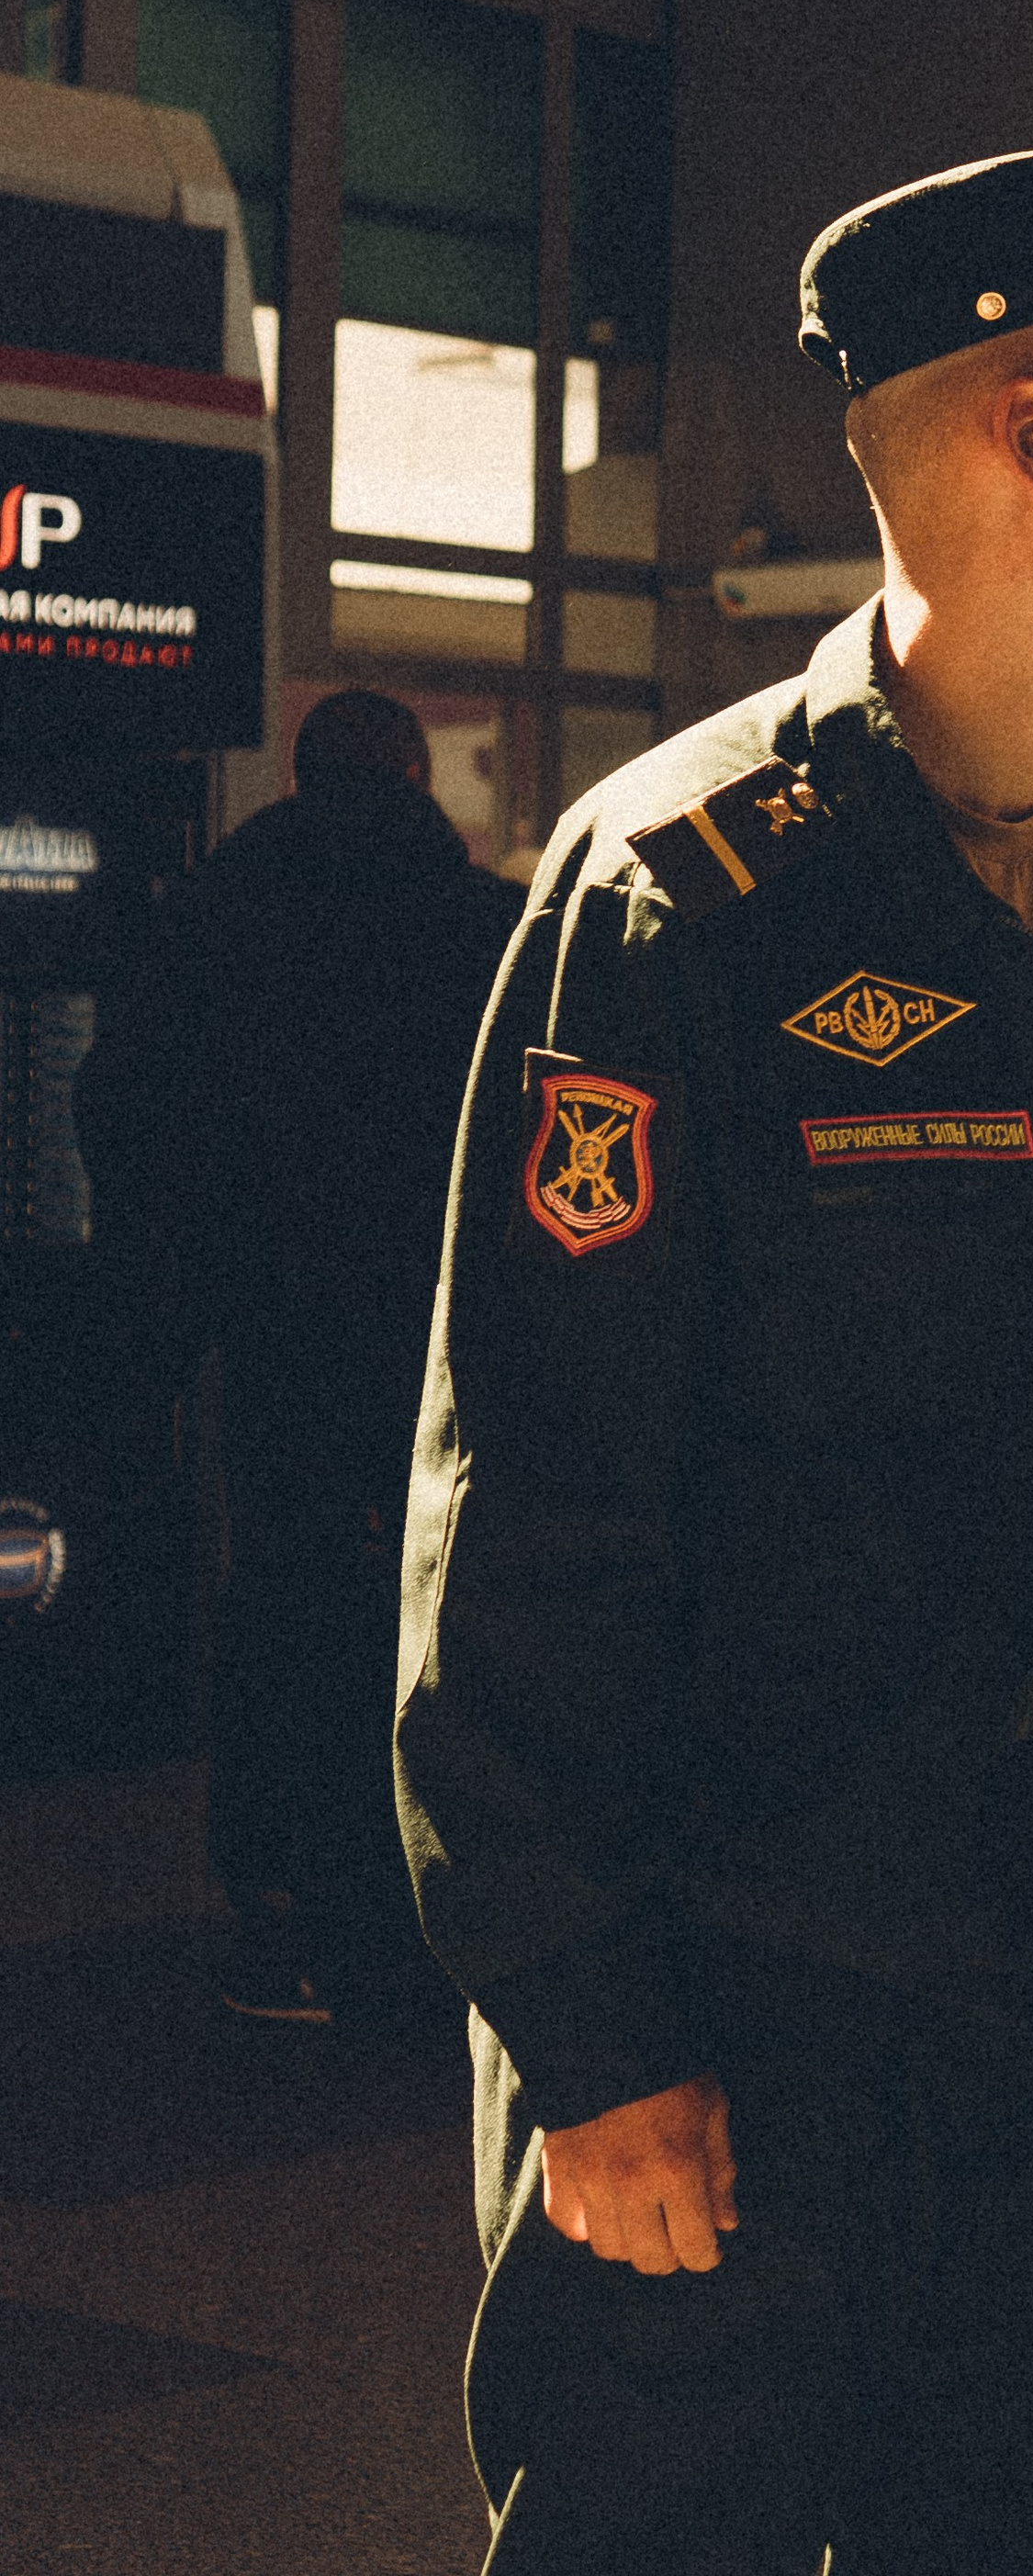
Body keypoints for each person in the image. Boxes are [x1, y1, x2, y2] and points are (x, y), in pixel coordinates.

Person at [392, 145, 1033, 2576]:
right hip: (725, 2010)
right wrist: (594, 2042)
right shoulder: (686, 889)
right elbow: (530, 1508)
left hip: (1020, 2017)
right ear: (1027, 438)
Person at [74, 687, 518, 2024]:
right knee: (440, 1606)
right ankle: (436, 1901)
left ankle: (286, 1904)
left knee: (285, 1602)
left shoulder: (215, 917)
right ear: (418, 776)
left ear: (293, 779)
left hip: (279, 1326)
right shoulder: (487, 927)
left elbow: (128, 1113)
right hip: (448, 1336)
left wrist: (155, 1323)